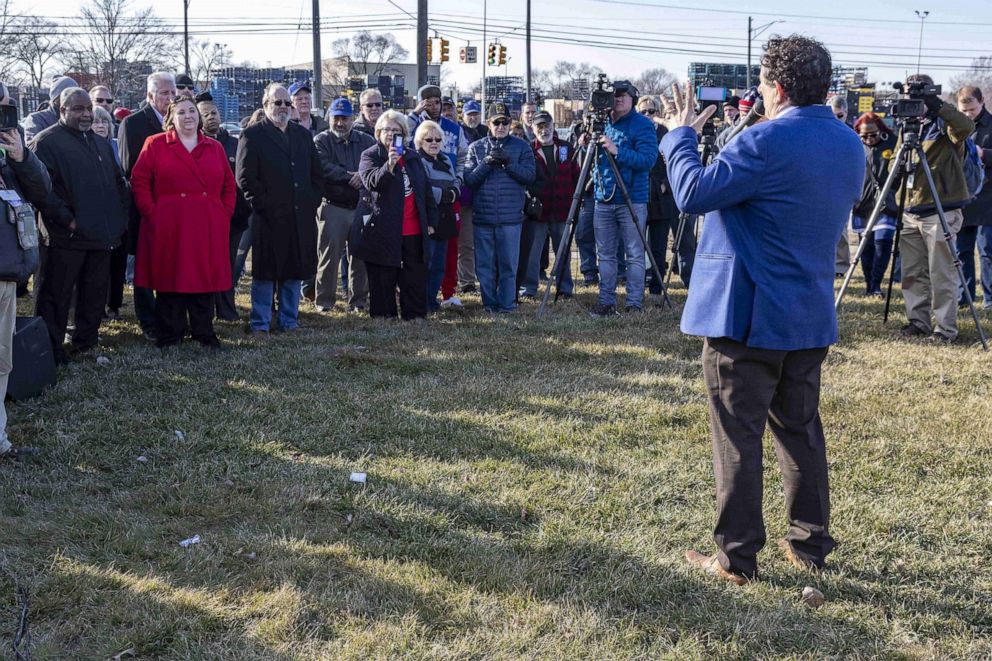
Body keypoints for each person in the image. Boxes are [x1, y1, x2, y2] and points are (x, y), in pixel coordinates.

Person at [659, 36, 864, 584]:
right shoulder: (851, 144)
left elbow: (693, 193)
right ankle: (811, 543)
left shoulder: (765, 141)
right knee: (801, 432)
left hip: (747, 317)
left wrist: (680, 136)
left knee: (738, 437)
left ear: (774, 87)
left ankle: (737, 558)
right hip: (808, 312)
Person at [32, 88, 129, 364]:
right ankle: (50, 350)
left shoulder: (99, 143)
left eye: (88, 108)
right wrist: (67, 220)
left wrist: (119, 218)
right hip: (65, 237)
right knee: (56, 295)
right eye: (78, 109)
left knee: (94, 293)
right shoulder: (46, 143)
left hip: (101, 235)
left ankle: (85, 342)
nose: (86, 114)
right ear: (62, 110)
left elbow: (118, 182)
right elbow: (40, 191)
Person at [130, 96, 236, 348]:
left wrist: (223, 213)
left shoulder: (214, 147)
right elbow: (140, 181)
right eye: (181, 112)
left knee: (204, 277)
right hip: (169, 223)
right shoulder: (155, 144)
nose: (188, 116)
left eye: (192, 111)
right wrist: (152, 212)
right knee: (170, 277)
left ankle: (203, 331)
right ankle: (170, 333)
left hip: (207, 223)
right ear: (171, 118)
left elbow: (229, 185)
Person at [236, 83, 323, 334]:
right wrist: (263, 205)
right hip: (268, 217)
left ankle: (289, 320)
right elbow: (245, 179)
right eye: (278, 102)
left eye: (287, 103)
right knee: (265, 272)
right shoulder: (252, 135)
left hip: (299, 216)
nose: (283, 107)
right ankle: (260, 323)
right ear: (265, 106)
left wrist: (311, 201)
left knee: (293, 270)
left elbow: (316, 174)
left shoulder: (302, 135)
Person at [896, 74, 975, 344]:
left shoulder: (944, 123)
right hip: (911, 208)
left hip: (941, 208)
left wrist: (937, 105)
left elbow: (966, 127)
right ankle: (917, 321)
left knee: (941, 271)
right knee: (912, 271)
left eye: (918, 96)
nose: (913, 101)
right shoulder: (907, 126)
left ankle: (945, 329)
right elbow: (898, 159)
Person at [0, 82, 52, 461]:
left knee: (3, 361)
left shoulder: (10, 154)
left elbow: (41, 190)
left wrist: (22, 158)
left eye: (7, 108)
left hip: (7, 274)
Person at [353, 110, 438, 319]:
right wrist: (389, 164)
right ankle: (384, 316)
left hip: (413, 227)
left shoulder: (412, 157)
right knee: (383, 274)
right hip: (384, 227)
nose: (391, 134)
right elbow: (373, 182)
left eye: (396, 130)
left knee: (414, 275)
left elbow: (425, 189)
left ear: (404, 133)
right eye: (386, 129)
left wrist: (431, 221)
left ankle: (414, 315)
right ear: (378, 132)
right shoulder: (370, 155)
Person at [588, 80, 656, 316]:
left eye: (623, 96)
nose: (618, 99)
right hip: (603, 197)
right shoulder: (601, 123)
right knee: (605, 254)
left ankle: (633, 304)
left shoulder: (643, 125)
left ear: (633, 99)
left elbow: (648, 160)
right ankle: (606, 302)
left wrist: (617, 150)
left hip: (632, 198)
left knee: (634, 254)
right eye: (614, 95)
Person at [118, 71, 177, 341]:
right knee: (144, 267)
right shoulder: (133, 124)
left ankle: (169, 316)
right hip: (145, 207)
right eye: (164, 93)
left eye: (172, 92)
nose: (170, 98)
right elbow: (130, 169)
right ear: (150, 95)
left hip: (175, 209)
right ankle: (148, 321)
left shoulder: (179, 122)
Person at [464, 102, 536, 313]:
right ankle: (489, 303)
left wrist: (508, 164)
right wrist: (486, 162)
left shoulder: (522, 147)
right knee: (484, 267)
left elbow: (530, 176)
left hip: (511, 218)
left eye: (505, 122)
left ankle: (507, 304)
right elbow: (470, 180)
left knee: (508, 266)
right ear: (489, 124)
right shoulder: (475, 148)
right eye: (497, 122)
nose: (501, 126)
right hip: (483, 218)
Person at [312, 97, 375, 312]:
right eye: (336, 118)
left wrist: (362, 175)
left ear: (353, 118)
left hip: (360, 205)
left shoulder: (366, 140)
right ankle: (324, 302)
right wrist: (350, 176)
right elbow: (322, 166)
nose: (340, 123)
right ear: (329, 118)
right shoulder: (321, 140)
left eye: (345, 118)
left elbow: (375, 162)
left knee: (360, 257)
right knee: (329, 257)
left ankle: (358, 301)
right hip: (333, 205)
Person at [195, 92, 251, 321]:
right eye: (205, 114)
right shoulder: (194, 145)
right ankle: (204, 311)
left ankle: (227, 310)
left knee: (228, 266)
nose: (211, 117)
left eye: (214, 113)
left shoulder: (236, 144)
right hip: (205, 219)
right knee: (206, 266)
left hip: (233, 218)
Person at [520, 111, 577, 298]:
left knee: (563, 252)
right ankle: (529, 287)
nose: (544, 130)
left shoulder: (567, 148)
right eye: (540, 127)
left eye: (547, 126)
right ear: (533, 128)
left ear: (553, 126)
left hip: (562, 209)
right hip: (538, 212)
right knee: (533, 252)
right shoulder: (527, 150)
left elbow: (576, 175)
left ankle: (565, 288)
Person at [639, 95, 693, 292]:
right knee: (636, 243)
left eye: (651, 111)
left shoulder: (666, 133)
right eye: (643, 112)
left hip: (662, 196)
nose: (647, 115)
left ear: (658, 113)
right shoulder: (635, 132)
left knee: (659, 243)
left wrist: (665, 184)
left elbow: (677, 163)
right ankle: (640, 280)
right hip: (639, 193)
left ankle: (656, 284)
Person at [416, 120, 461, 311]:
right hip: (428, 219)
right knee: (427, 262)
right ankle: (422, 301)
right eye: (429, 139)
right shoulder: (418, 161)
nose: (433, 143)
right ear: (420, 142)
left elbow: (455, 183)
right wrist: (445, 194)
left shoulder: (445, 161)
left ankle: (432, 300)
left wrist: (453, 193)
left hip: (446, 219)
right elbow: (423, 189)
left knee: (439, 265)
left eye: (437, 139)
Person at [852, 112, 899, 296]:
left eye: (873, 134)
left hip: (886, 202)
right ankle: (868, 284)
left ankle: (876, 285)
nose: (869, 139)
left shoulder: (893, 142)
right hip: (862, 203)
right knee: (867, 245)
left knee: (883, 243)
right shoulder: (855, 146)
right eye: (864, 136)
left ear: (881, 130)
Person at [956, 86, 992, 309]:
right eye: (964, 110)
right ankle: (965, 298)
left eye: (972, 109)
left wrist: (983, 153)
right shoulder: (957, 126)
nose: (968, 114)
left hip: (988, 199)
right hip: (962, 197)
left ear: (982, 103)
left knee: (988, 251)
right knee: (962, 251)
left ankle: (990, 299)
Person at [457, 100, 487, 294]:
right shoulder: (459, 133)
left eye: (476, 114)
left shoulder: (487, 131)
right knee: (466, 243)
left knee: (484, 242)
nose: (473, 117)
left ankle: (485, 278)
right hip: (465, 195)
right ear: (463, 116)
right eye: (470, 114)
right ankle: (467, 281)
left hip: (485, 196)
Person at [22, 76, 78, 144]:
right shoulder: (36, 119)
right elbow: (33, 147)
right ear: (56, 97)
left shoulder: (79, 118)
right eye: (67, 94)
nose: (73, 99)